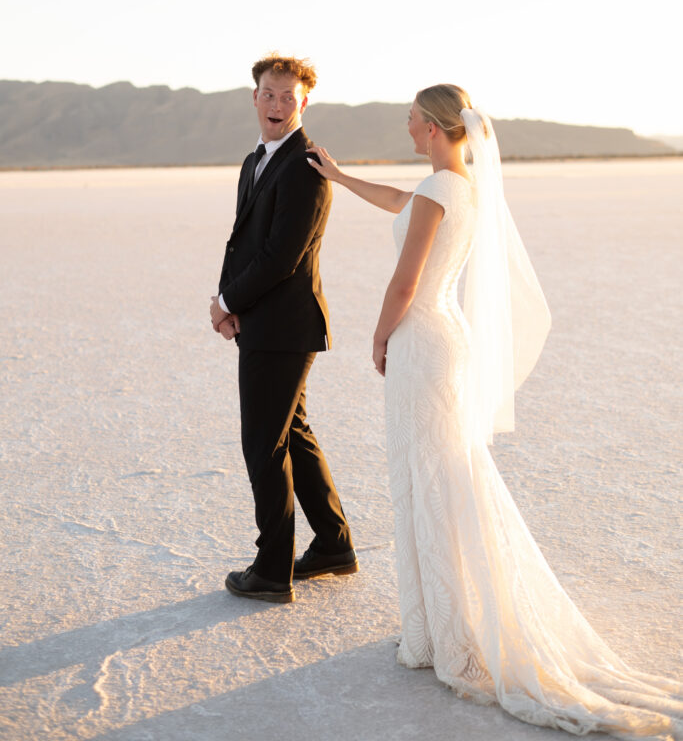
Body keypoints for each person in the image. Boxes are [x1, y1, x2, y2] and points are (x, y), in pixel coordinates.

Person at [306, 84, 682, 739]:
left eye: (411, 118)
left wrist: (379, 336)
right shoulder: (460, 189)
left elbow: (405, 280)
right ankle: (437, 624)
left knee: (429, 479)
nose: (406, 125)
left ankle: (445, 635)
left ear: (431, 127)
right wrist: (338, 176)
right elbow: (397, 201)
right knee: (444, 476)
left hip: (421, 341)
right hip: (445, 336)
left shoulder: (436, 192)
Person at [210, 54, 357, 604]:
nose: (276, 105)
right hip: (263, 322)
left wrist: (228, 301)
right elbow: (242, 241)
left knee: (263, 445)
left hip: (285, 327)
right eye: (268, 95)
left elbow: (281, 257)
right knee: (291, 432)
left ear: (304, 102)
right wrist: (228, 303)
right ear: (255, 97)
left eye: (287, 97)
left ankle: (273, 569)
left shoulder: (306, 166)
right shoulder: (257, 160)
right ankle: (334, 545)